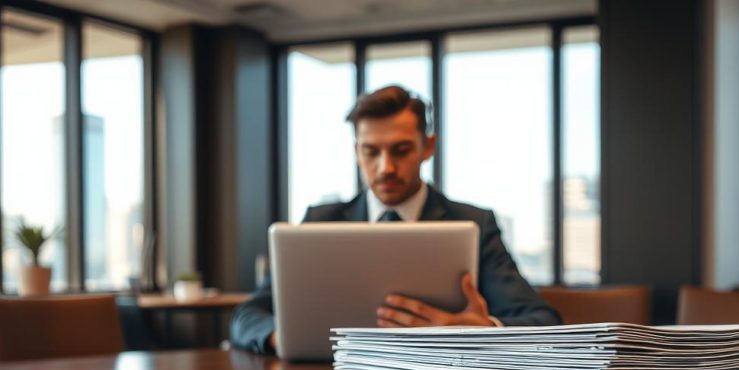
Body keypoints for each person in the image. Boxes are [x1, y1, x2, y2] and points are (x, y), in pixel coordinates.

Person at [231, 85, 561, 354]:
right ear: (356, 151)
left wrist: (484, 330)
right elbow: (246, 316)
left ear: (427, 147)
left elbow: (544, 321)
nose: (385, 167)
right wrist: (282, 338)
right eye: (371, 151)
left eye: (401, 150)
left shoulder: (474, 223)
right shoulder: (319, 221)